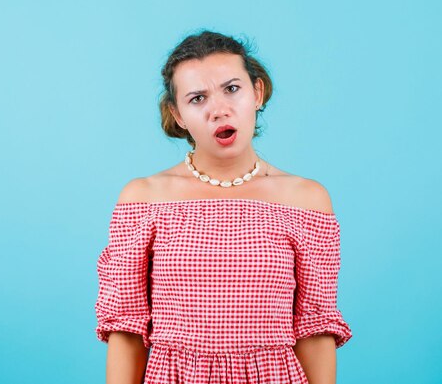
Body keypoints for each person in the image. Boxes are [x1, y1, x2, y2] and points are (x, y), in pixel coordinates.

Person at [94, 30, 353, 384]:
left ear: (257, 93)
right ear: (178, 114)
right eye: (198, 98)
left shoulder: (306, 200)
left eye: (232, 89)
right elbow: (127, 329)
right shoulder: (143, 199)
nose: (219, 110)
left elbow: (315, 329)